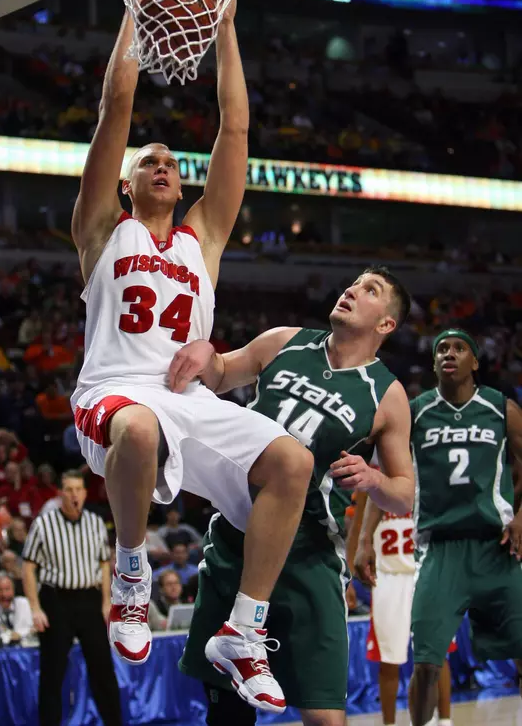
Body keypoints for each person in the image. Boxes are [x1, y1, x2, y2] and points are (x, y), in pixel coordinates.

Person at [69, 0, 313, 711]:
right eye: (151, 163)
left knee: (292, 463)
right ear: (126, 185)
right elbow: (117, 106)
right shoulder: (100, 231)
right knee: (138, 432)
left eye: (174, 162)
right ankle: (133, 572)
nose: (167, 166)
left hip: (190, 402)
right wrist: (137, 12)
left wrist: (228, 26)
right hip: (113, 395)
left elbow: (234, 128)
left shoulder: (203, 238)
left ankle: (243, 631)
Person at [172, 267, 415, 726]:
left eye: (370, 290)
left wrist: (373, 479)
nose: (351, 290)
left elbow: (404, 496)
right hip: (238, 539)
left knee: (325, 717)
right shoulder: (286, 340)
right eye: (354, 283)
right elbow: (221, 374)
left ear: (386, 324)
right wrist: (206, 350)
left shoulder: (388, 395)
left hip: (309, 553)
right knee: (226, 709)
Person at [356, 328, 522, 726]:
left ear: (475, 361)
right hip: (437, 550)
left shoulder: (502, 408)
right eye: (442, 349)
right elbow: (385, 478)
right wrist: (364, 541)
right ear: (433, 363)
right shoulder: (415, 412)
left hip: (495, 547)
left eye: (460, 348)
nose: (450, 353)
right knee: (427, 662)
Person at [22, 470, 122, 726]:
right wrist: (35, 607)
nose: (74, 494)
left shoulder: (95, 522)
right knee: (52, 673)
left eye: (78, 489)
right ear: (60, 493)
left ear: (85, 493)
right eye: (69, 489)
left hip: (89, 599)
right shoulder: (43, 524)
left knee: (103, 670)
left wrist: (106, 602)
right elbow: (29, 567)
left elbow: (103, 564)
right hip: (56, 600)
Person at [354, 495, 453, 726]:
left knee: (438, 652)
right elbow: (357, 531)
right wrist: (349, 578)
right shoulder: (374, 484)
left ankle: (446, 720)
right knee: (388, 658)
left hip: (424, 572)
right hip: (388, 578)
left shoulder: (427, 475)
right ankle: (389, 723)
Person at [0, 570, 33, 644]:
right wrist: (13, 635)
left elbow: (33, 629)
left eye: (7, 589)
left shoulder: (24, 603)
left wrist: (20, 634)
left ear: (14, 589)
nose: (4, 594)